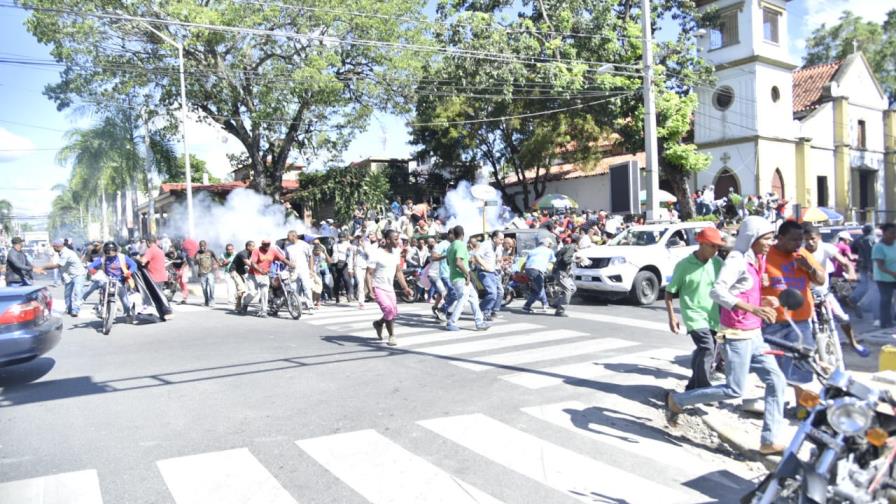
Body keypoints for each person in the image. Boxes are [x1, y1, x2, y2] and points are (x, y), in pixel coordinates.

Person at [667, 216, 786, 454]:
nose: (771, 243)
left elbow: (742, 293)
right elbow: (717, 292)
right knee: (734, 390)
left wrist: (763, 301)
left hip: (755, 334)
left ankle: (769, 440)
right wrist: (753, 308)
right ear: (753, 238)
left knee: (777, 381)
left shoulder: (756, 260)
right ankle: (678, 400)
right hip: (737, 334)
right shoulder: (736, 260)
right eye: (767, 237)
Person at [762, 220, 825, 387]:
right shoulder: (765, 255)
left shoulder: (803, 254)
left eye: (800, 240)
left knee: (803, 368)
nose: (798, 244)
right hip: (773, 324)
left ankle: (803, 408)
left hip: (801, 322)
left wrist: (809, 268)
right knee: (776, 371)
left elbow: (821, 280)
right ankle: (778, 405)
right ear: (780, 238)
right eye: (794, 240)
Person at [664, 227, 726, 390]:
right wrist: (672, 317)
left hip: (714, 316)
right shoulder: (684, 265)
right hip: (694, 315)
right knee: (707, 347)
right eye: (713, 246)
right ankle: (704, 389)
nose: (716, 250)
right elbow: (669, 293)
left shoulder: (718, 263)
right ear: (702, 243)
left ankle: (692, 388)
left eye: (718, 247)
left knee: (706, 351)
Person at [802, 224, 859, 347]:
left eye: (812, 239)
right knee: (803, 323)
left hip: (823, 291)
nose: (810, 242)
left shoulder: (826, 248)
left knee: (842, 317)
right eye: (806, 240)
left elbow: (844, 262)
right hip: (805, 292)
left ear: (819, 237)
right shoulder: (800, 250)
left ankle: (853, 343)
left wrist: (851, 272)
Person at [366, 229, 413, 346]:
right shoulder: (376, 253)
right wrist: (370, 290)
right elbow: (369, 273)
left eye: (399, 239)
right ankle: (392, 336)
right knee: (388, 310)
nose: (398, 242)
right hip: (378, 287)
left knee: (393, 312)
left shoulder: (396, 252)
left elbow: (398, 272)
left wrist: (405, 288)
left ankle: (378, 323)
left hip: (389, 288)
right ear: (387, 240)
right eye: (396, 239)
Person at [445, 225, 489, 332]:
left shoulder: (450, 246)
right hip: (461, 277)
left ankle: (479, 322)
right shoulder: (460, 245)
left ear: (454, 234)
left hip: (454, 276)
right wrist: (467, 274)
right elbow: (458, 262)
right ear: (463, 234)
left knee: (474, 298)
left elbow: (448, 262)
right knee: (463, 300)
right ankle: (451, 322)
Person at [87, 241, 139, 324]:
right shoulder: (103, 258)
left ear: (116, 250)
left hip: (120, 282)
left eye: (112, 251)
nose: (110, 253)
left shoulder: (122, 257)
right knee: (95, 286)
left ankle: (128, 314)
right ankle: (86, 301)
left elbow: (134, 265)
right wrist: (93, 271)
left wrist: (129, 272)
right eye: (108, 251)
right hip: (107, 281)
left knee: (125, 301)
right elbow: (91, 266)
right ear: (105, 251)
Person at [243, 239, 290, 317]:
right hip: (253, 275)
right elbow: (253, 263)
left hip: (264, 275)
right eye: (265, 245)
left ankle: (263, 311)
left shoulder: (273, 250)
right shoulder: (256, 250)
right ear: (262, 244)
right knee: (253, 293)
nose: (266, 246)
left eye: (268, 244)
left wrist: (291, 264)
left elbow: (282, 259)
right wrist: (261, 270)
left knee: (264, 292)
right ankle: (245, 305)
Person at [41, 239, 87, 317]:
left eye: (54, 247)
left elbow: (58, 265)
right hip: (69, 275)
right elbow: (59, 265)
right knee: (67, 293)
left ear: (57, 247)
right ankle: (69, 309)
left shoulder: (66, 253)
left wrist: (44, 267)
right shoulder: (61, 253)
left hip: (78, 274)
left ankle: (75, 310)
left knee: (77, 292)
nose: (53, 249)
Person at [851, 224, 878, 322]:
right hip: (873, 266)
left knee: (864, 284)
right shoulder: (874, 239)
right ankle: (861, 303)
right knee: (874, 288)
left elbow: (852, 249)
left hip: (862, 265)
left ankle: (854, 297)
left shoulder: (858, 239)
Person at [551, 235, 583, 317]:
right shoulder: (571, 248)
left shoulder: (566, 247)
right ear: (577, 242)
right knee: (568, 290)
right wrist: (576, 260)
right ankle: (560, 311)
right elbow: (566, 259)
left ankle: (556, 303)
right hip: (561, 272)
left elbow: (556, 254)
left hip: (560, 271)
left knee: (573, 288)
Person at [521, 238, 556, 313]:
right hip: (537, 270)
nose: (550, 246)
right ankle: (531, 305)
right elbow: (554, 261)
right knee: (539, 289)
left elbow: (526, 261)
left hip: (528, 269)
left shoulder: (533, 250)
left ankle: (541, 304)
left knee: (537, 288)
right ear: (547, 244)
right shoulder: (549, 251)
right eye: (550, 244)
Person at [873, 223, 896, 330]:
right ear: (884, 233)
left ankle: (892, 320)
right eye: (892, 233)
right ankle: (885, 323)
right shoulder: (878, 247)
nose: (894, 234)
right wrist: (893, 273)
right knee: (886, 299)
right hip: (884, 278)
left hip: (894, 276)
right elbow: (881, 266)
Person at [474, 231, 501, 321]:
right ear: (494, 238)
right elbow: (476, 255)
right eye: (500, 239)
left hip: (492, 272)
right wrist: (484, 265)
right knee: (492, 293)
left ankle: (485, 312)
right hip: (484, 272)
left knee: (496, 293)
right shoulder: (486, 244)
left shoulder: (495, 246)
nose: (502, 241)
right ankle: (481, 310)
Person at [285, 231, 314, 311]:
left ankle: (310, 306)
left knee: (306, 287)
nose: (287, 238)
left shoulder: (304, 245)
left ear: (294, 236)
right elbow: (286, 258)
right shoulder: (287, 246)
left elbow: (311, 257)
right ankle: (296, 306)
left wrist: (311, 270)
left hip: (304, 269)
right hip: (293, 271)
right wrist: (287, 267)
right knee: (294, 288)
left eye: (289, 236)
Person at [331, 232, 354, 304]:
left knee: (346, 279)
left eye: (342, 237)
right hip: (335, 263)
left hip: (344, 263)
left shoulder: (348, 245)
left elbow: (350, 256)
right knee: (336, 280)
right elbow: (332, 253)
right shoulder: (335, 244)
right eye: (340, 237)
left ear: (345, 238)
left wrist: (350, 268)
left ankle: (349, 294)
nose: (341, 238)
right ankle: (337, 296)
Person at [230, 241, 254, 312]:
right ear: (248, 247)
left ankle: (238, 305)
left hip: (241, 273)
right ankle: (238, 307)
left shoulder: (250, 254)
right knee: (241, 289)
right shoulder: (243, 253)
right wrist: (259, 268)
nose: (254, 248)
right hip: (234, 271)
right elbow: (248, 263)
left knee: (242, 291)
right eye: (253, 246)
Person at [195, 240, 219, 307]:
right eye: (201, 246)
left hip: (210, 272)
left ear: (206, 245)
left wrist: (219, 264)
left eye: (203, 246)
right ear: (199, 246)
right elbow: (195, 263)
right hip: (202, 273)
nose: (202, 247)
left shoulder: (210, 251)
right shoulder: (198, 253)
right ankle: (206, 300)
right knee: (204, 288)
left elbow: (216, 257)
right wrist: (196, 259)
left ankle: (212, 300)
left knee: (211, 285)